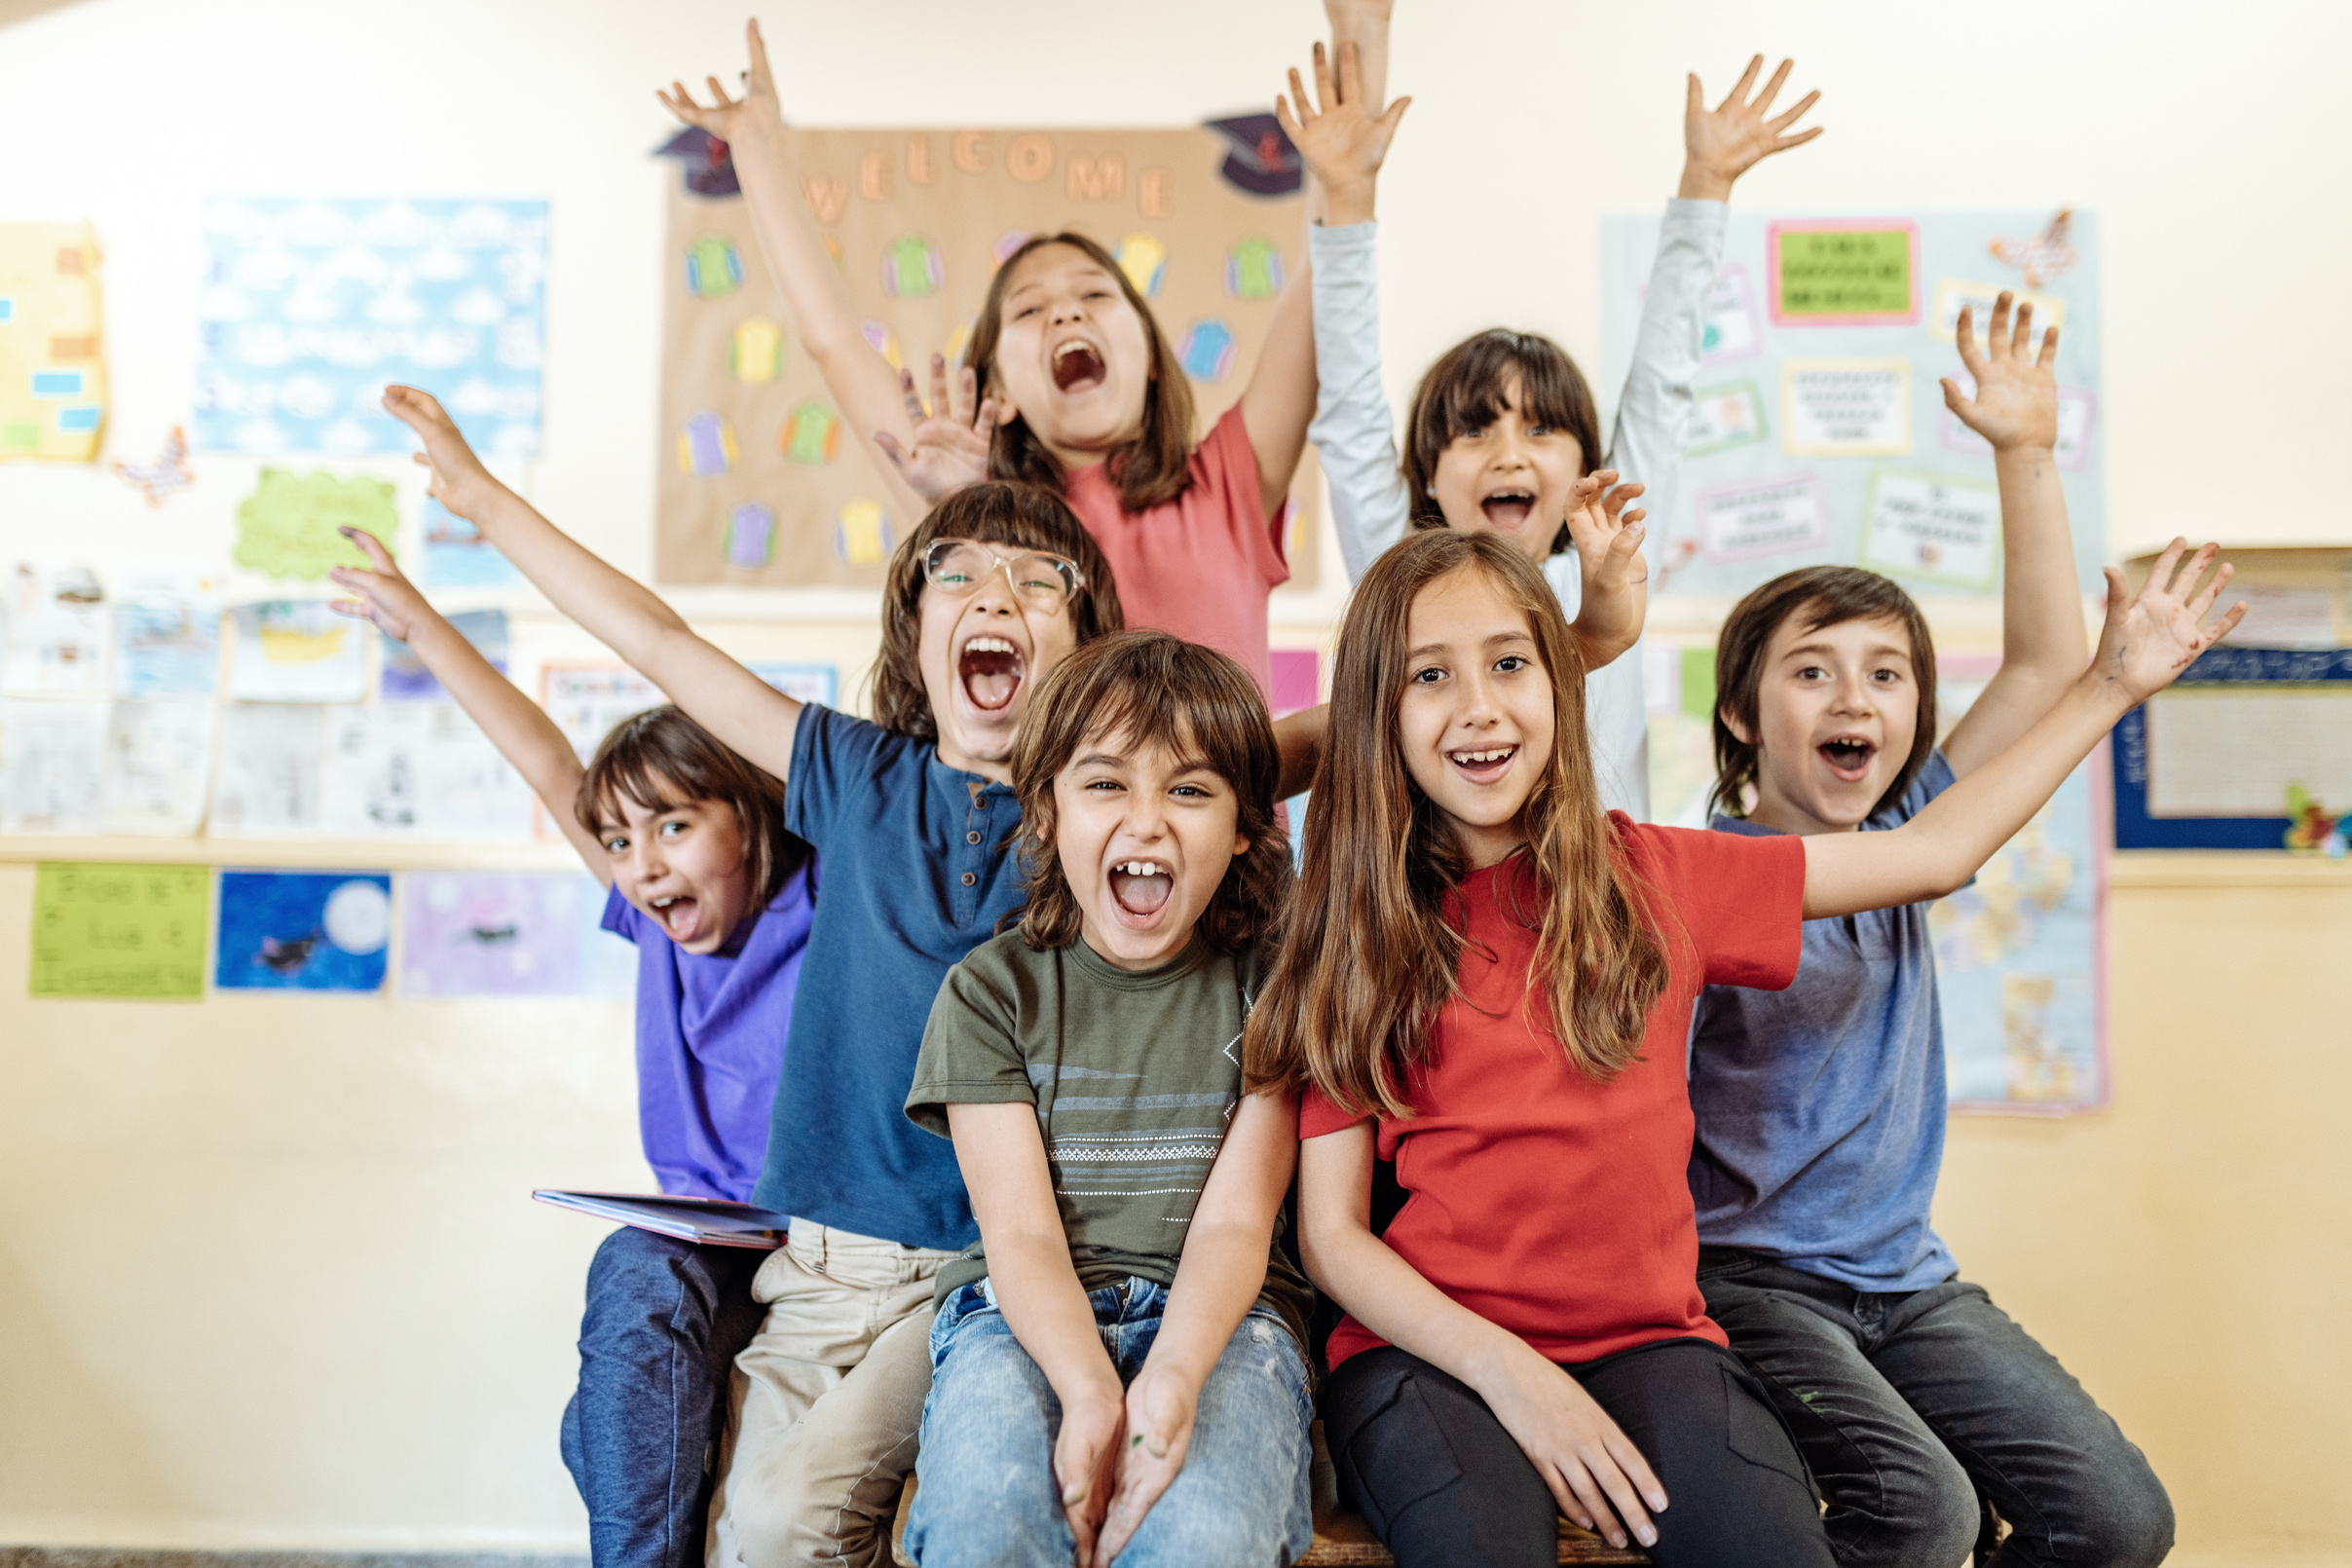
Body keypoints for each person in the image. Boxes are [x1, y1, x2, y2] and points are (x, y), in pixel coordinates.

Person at [1246, 528, 2242, 1568]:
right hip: (1427, 1356)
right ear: (1375, 713)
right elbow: (1333, 1237)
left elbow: (1932, 851)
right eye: (1429, 676)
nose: (1480, 707)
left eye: (1509, 663)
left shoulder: (1660, 877)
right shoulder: (1353, 931)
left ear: (1559, 683)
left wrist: (2111, 686)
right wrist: (1512, 1374)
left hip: (1651, 1344)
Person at [378, 383, 1124, 1568]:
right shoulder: (855, 776)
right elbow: (658, 640)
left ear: (1088, 650)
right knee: (737, 1538)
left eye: (1039, 582)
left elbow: (1255, 748)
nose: (996, 596)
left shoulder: (1100, 812)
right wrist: (482, 501)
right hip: (815, 1270)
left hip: (978, 1269)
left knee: (789, 1524)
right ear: (912, 633)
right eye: (960, 576)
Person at [1688, 297, 2177, 1568]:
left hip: (1904, 1280)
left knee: (2116, 1521)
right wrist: (2110, 686)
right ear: (1740, 714)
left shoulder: (1906, 818)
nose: (1853, 694)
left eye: (1886, 672)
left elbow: (2040, 665)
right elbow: (2006, 771)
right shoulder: (1714, 870)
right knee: (1922, 1515)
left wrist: (2025, 452)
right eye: (1811, 669)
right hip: (1748, 1282)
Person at [328, 532, 815, 1568]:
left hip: (823, 1253)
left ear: (748, 815)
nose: (640, 865)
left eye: (673, 826)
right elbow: (549, 763)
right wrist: (420, 624)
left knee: (598, 1425)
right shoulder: (654, 917)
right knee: (627, 1286)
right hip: (709, 1252)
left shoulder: (824, 907)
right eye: (620, 840)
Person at [657, 20, 1325, 697]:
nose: (1066, 313)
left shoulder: (1227, 484)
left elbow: (1321, 284)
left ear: (1152, 356)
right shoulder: (975, 506)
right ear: (997, 391)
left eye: (1095, 294)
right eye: (1030, 310)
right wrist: (757, 148)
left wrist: (1361, 52)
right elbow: (834, 343)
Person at [1299, 15, 1822, 814]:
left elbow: (1662, 386)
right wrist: (1345, 198)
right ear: (1425, 476)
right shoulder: (1399, 570)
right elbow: (1348, 409)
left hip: (1600, 886)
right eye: (1474, 431)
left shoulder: (1604, 568)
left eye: (1541, 429)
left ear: (1588, 470)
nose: (1508, 453)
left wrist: (1704, 186)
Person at [901, 631, 1314, 1568]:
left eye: (1190, 790)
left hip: (1227, 1323)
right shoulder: (989, 993)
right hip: (1017, 1318)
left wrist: (1170, 1378)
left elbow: (1234, 1227)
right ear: (1047, 811)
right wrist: (1090, 1390)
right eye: (1104, 784)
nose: (1147, 823)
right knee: (985, 1532)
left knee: (1205, 1541)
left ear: (1243, 828)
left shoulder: (1275, 991)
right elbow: (1020, 1235)